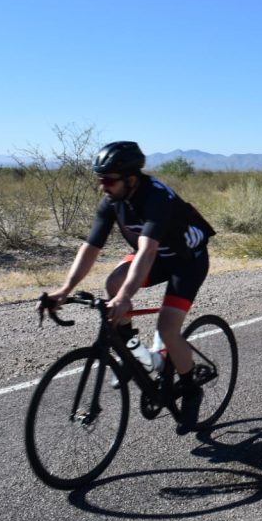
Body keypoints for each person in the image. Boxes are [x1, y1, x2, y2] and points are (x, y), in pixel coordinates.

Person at [37, 141, 216, 432]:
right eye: (100, 180)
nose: (102, 187)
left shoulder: (155, 198)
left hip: (187, 261)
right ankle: (132, 350)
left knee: (167, 329)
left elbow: (146, 251)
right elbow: (90, 248)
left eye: (108, 180)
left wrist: (124, 297)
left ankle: (191, 389)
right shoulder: (112, 201)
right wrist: (64, 290)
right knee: (113, 281)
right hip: (157, 257)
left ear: (131, 179)